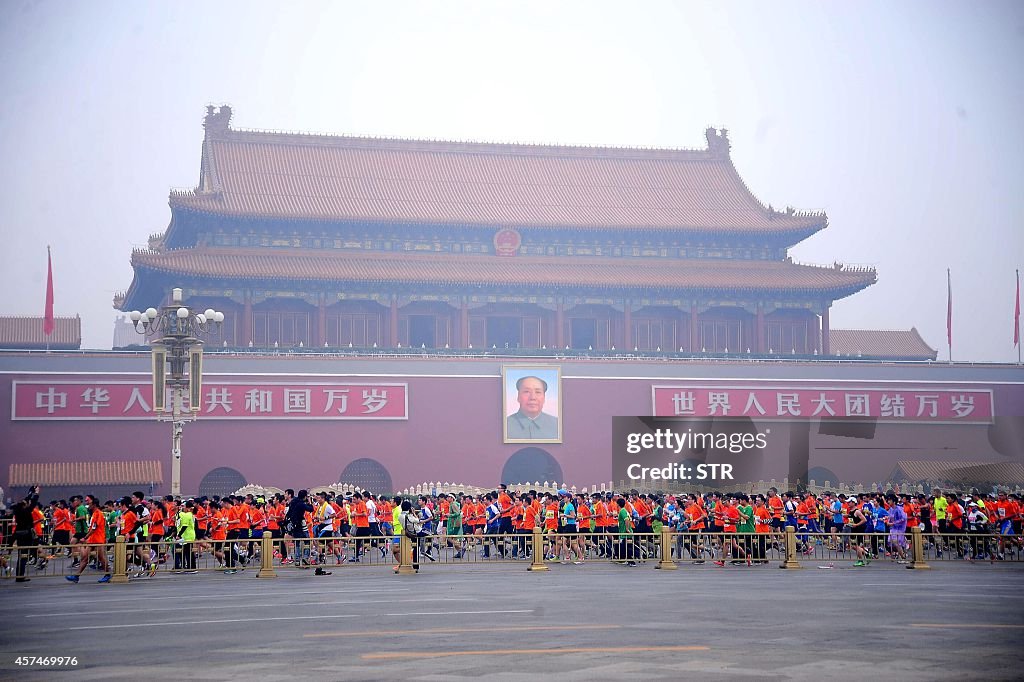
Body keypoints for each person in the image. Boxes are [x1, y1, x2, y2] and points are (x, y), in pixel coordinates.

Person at [506, 375, 559, 440]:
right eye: (526, 392)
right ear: (518, 397)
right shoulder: (505, 425)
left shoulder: (557, 425)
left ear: (544, 398)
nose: (533, 397)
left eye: (538, 392)